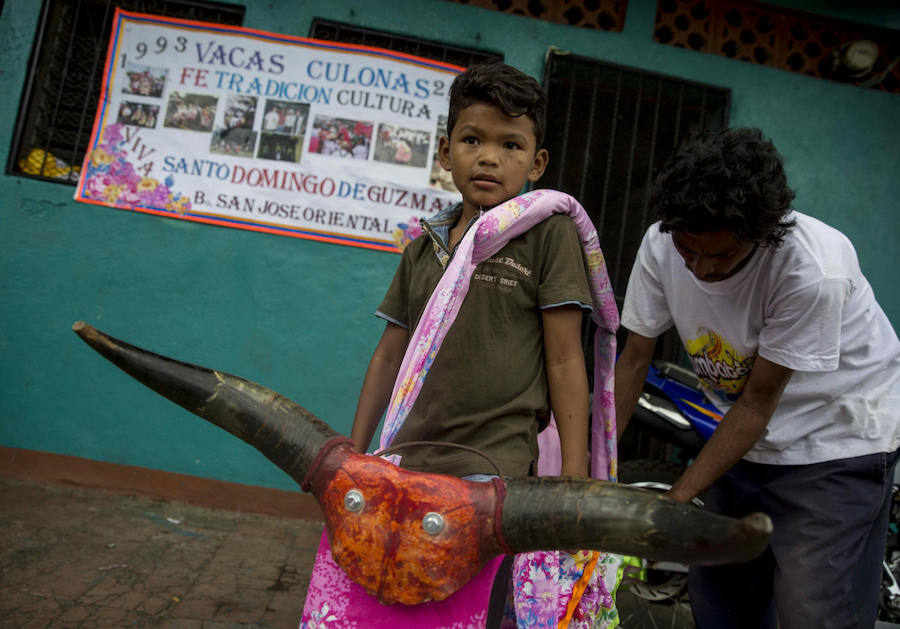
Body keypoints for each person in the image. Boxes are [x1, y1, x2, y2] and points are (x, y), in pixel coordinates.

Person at [301, 61, 622, 629]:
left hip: (491, 471)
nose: (490, 157)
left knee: (466, 611)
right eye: (473, 140)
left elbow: (566, 356)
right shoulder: (423, 249)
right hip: (404, 461)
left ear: (537, 163)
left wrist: (574, 479)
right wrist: (354, 452)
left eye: (511, 144)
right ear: (446, 152)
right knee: (388, 598)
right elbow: (389, 354)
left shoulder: (547, 236)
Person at [614, 127, 900, 629]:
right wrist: (595, 468)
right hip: (743, 437)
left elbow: (756, 406)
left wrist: (677, 502)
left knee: (813, 611)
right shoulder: (663, 242)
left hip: (839, 437)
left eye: (720, 255)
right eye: (688, 250)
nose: (699, 269)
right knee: (722, 601)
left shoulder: (812, 270)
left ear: (761, 233)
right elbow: (634, 360)